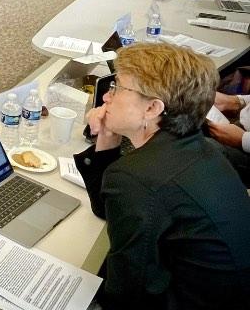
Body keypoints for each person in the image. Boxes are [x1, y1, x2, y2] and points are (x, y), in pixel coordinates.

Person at [74, 43, 250, 309]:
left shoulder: (138, 178)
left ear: (152, 108)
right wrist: (108, 134)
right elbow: (108, 208)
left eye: (117, 88)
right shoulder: (203, 147)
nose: (107, 98)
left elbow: (126, 295)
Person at [208, 91, 250, 186]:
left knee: (201, 150)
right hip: (240, 124)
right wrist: (235, 101)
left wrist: (243, 139)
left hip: (245, 145)